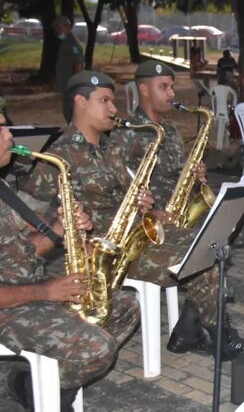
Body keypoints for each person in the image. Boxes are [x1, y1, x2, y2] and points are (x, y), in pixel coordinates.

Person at [22, 71, 244, 359]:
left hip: (136, 237)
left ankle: (200, 329)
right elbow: (28, 215)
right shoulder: (59, 155)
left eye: (112, 101)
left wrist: (146, 203)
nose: (113, 109)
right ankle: (220, 337)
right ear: (80, 101)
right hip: (108, 254)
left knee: (209, 245)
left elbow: (129, 194)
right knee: (200, 258)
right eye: (104, 101)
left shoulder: (111, 147)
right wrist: (69, 237)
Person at [113, 60, 244, 320]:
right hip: (162, 225)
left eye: (172, 87)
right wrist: (152, 213)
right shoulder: (129, 134)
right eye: (164, 87)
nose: (172, 94)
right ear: (144, 90)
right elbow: (121, 188)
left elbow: (174, 174)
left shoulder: (170, 131)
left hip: (183, 210)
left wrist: (196, 177)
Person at [0, 113, 140, 411]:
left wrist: (65, 228)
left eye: (5, 126)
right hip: (9, 306)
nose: (9, 137)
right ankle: (42, 390)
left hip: (27, 290)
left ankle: (38, 386)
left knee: (125, 306)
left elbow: (24, 248)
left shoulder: (3, 188)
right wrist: (47, 291)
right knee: (97, 348)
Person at [54, 15, 84, 124]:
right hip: (66, 85)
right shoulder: (66, 42)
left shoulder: (73, 43)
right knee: (67, 112)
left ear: (66, 27)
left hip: (71, 86)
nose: (57, 30)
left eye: (58, 27)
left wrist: (74, 83)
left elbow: (78, 63)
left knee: (71, 112)